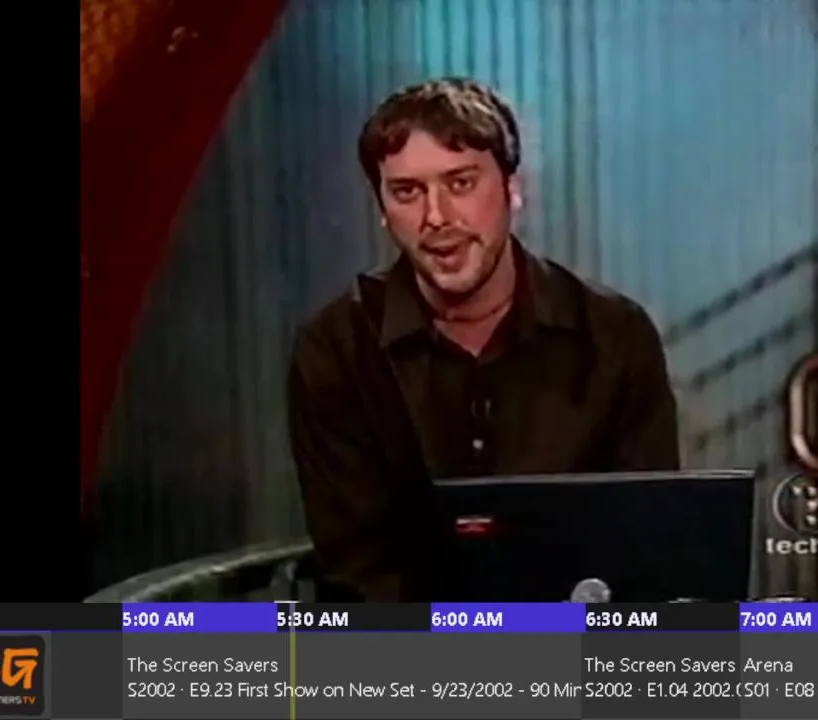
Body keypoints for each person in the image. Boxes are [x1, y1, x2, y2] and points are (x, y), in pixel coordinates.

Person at [288, 78, 680, 601]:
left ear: (514, 188)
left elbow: (645, 547)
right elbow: (359, 572)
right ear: (382, 208)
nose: (437, 218)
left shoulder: (615, 337)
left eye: (461, 183)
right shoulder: (336, 351)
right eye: (407, 192)